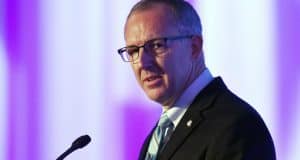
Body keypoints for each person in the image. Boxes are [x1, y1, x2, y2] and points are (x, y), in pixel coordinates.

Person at [117, 0, 276, 159]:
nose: (143, 63)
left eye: (157, 45)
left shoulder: (237, 126)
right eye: (133, 51)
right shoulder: (156, 137)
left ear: (194, 47)